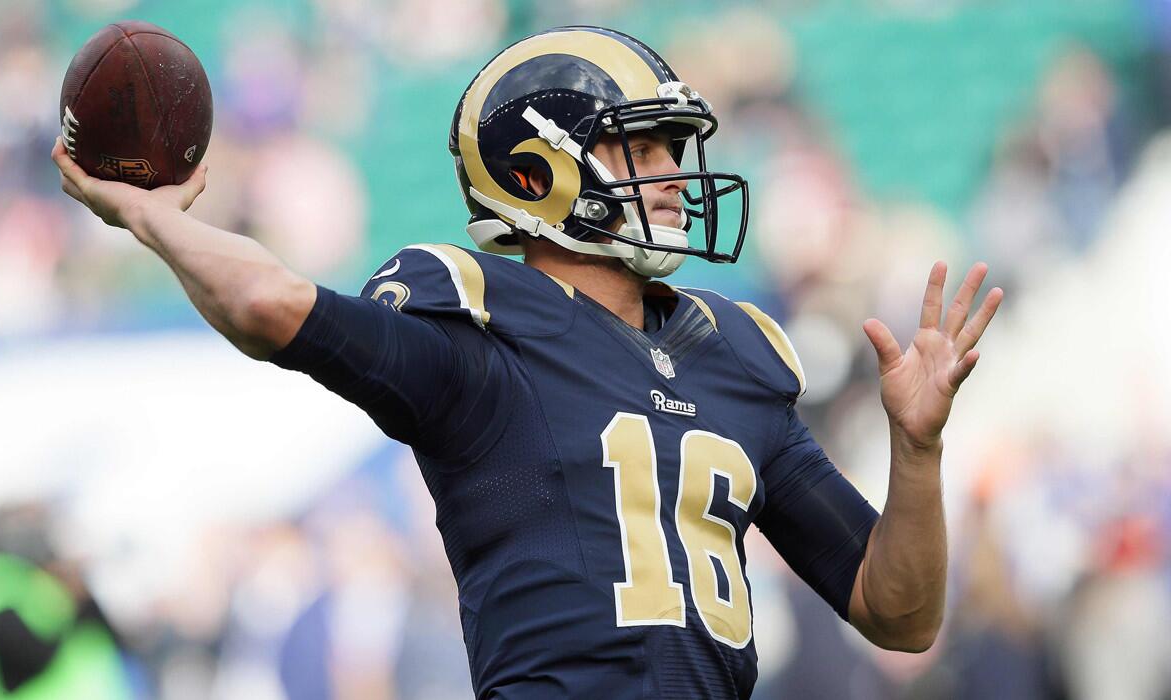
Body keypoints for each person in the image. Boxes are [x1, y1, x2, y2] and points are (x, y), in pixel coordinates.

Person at [52, 25, 1002, 700]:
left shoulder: (734, 353)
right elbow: (270, 303)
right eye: (644, 148)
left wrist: (917, 453)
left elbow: (898, 612)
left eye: (676, 149)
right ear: (537, 171)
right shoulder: (477, 327)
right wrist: (155, 219)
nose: (675, 176)